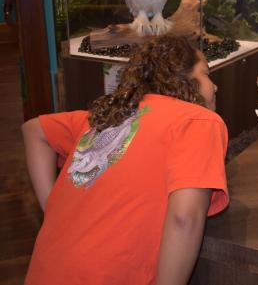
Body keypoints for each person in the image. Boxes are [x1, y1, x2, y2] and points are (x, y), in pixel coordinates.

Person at [21, 36, 228, 284]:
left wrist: (52, 209)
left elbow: (34, 130)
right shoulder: (197, 121)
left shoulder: (103, 119)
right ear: (182, 79)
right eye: (206, 74)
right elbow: (185, 217)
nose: (215, 87)